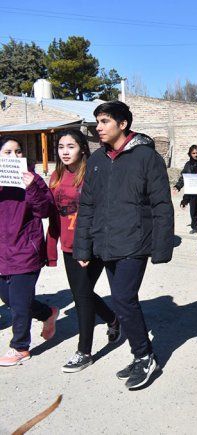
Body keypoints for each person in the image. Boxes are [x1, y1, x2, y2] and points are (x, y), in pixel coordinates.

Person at [73, 101, 174, 390]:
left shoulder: (146, 158)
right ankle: (139, 353)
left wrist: (162, 246)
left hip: (134, 241)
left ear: (123, 124)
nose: (98, 128)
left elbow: (161, 204)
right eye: (97, 122)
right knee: (122, 300)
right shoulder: (96, 161)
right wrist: (83, 248)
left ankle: (145, 356)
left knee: (123, 299)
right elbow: (88, 207)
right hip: (106, 242)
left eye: (104, 121)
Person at [46, 129, 120, 373]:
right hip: (67, 245)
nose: (65, 152)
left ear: (82, 148)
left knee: (82, 296)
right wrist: (52, 247)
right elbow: (53, 216)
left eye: (71, 146)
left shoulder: (92, 174)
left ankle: (84, 352)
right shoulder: (55, 176)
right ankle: (112, 318)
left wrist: (87, 247)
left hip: (90, 244)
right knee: (82, 293)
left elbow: (102, 212)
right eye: (61, 147)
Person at [0, 136, 59, 367]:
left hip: (25, 250)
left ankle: (20, 347)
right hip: (2, 253)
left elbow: (45, 210)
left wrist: (32, 187)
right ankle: (47, 313)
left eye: (18, 152)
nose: (14, 156)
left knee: (20, 304)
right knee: (12, 300)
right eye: (7, 153)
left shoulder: (33, 179)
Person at [174, 145, 197, 234]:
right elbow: (183, 177)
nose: (195, 155)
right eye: (193, 153)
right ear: (190, 154)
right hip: (192, 191)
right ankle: (195, 226)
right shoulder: (188, 165)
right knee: (193, 209)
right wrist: (178, 186)